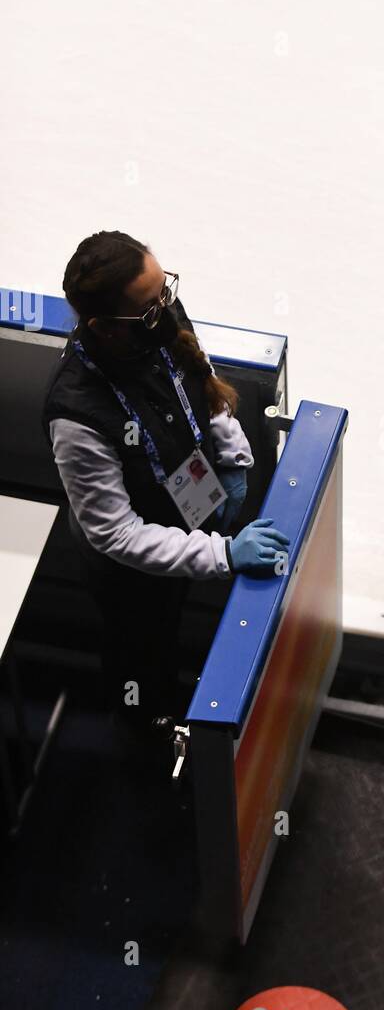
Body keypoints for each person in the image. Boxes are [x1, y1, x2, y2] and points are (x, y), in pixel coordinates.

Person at [42, 231, 290, 745]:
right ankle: (144, 729)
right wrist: (221, 555)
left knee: (172, 618)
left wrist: (232, 456)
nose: (167, 310)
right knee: (141, 646)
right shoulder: (77, 415)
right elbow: (117, 535)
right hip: (128, 568)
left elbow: (197, 376)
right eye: (151, 307)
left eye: (166, 293)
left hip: (184, 506)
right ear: (104, 328)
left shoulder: (154, 318)